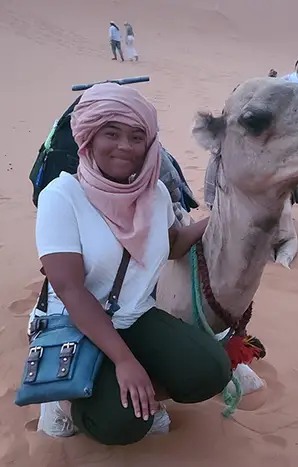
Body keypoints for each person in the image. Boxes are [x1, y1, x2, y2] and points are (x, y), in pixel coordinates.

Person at [31, 83, 232, 445]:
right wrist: (124, 360)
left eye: (136, 136)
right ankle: (62, 402)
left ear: (149, 145)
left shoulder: (153, 193)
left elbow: (172, 245)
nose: (125, 145)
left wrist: (223, 217)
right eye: (112, 133)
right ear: (89, 138)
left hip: (134, 315)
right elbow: (70, 290)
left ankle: (131, 392)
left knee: (212, 370)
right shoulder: (61, 198)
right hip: (75, 320)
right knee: (122, 425)